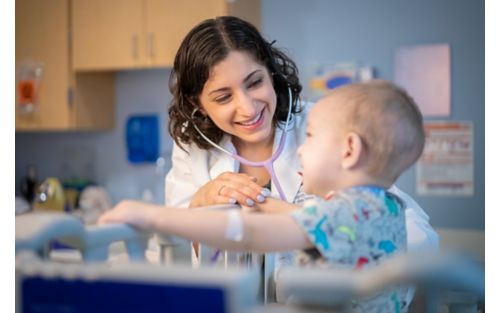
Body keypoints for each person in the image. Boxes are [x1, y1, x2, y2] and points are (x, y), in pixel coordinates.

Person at [99, 79, 425, 312]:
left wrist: (154, 216)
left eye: (309, 137)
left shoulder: (344, 214)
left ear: (349, 150)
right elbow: (294, 216)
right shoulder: (382, 207)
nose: (302, 147)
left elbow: (249, 234)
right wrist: (249, 198)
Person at [162, 16, 438, 258]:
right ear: (198, 105)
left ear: (272, 74)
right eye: (223, 97)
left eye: (255, 82)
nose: (247, 108)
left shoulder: (323, 124)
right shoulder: (190, 146)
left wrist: (330, 232)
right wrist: (199, 203)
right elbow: (174, 251)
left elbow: (414, 234)